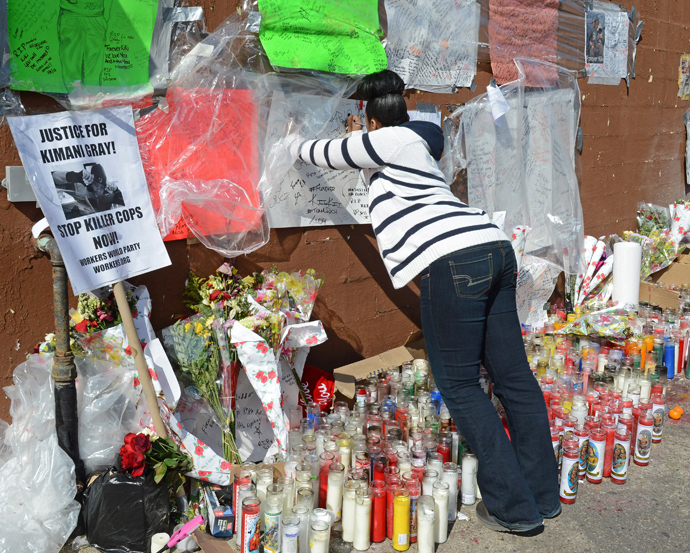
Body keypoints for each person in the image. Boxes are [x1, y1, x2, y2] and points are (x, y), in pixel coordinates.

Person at [290, 70, 559, 532]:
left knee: (459, 387)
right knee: (513, 377)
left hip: (453, 261)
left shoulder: (386, 141)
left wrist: (290, 141)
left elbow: (324, 154)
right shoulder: (417, 142)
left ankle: (514, 510)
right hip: (492, 248)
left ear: (370, 121)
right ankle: (542, 496)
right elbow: (431, 131)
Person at [58, 0, 113, 89]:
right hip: (76, 14)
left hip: (86, 14)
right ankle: (80, 97)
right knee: (76, 67)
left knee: (74, 67)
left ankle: (79, 97)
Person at [53, 162, 124, 219]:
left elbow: (125, 205)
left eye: (101, 187)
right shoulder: (80, 187)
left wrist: (117, 191)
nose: (98, 190)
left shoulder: (108, 196)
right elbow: (53, 180)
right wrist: (75, 176)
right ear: (91, 182)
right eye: (96, 185)